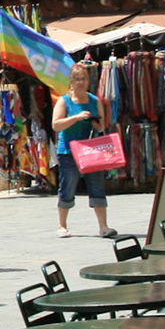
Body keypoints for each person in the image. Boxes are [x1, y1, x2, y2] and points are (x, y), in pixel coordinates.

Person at [50, 62, 116, 239]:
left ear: (88, 81)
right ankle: (62, 225)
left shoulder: (94, 101)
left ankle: (103, 226)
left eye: (84, 79)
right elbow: (56, 125)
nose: (81, 82)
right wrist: (76, 117)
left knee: (97, 185)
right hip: (68, 150)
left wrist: (96, 122)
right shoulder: (64, 101)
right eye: (77, 79)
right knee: (68, 185)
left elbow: (102, 125)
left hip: (91, 150)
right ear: (71, 82)